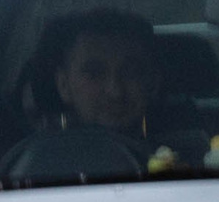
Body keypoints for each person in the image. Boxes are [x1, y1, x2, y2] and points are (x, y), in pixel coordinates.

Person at [35, 8, 161, 136]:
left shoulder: (180, 149)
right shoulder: (40, 155)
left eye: (130, 73)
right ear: (63, 85)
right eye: (94, 74)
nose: (115, 92)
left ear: (153, 82)